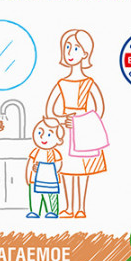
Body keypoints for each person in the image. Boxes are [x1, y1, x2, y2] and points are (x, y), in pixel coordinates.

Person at [45, 29, 107, 218]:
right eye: (67, 47)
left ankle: (80, 208)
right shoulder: (62, 83)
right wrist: (61, 120)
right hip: (65, 132)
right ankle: (68, 207)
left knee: (82, 171)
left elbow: (99, 109)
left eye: (76, 48)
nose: (70, 52)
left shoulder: (89, 83)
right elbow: (49, 111)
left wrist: (84, 122)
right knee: (65, 169)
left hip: (83, 133)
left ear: (85, 53)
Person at [25, 116, 64, 218]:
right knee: (35, 196)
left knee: (50, 196)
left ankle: (52, 211)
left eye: (49, 134)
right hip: (34, 179)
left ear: (58, 140)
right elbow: (30, 163)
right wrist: (28, 176)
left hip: (51, 180)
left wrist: (46, 170)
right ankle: (34, 211)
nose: (42, 137)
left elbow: (58, 166)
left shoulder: (55, 153)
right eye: (39, 133)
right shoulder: (35, 152)